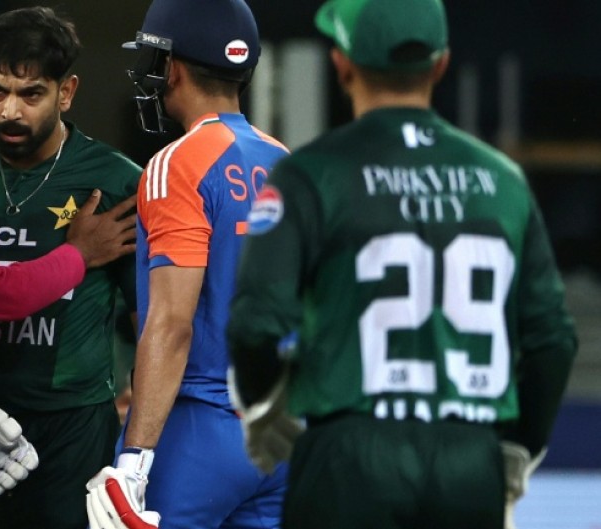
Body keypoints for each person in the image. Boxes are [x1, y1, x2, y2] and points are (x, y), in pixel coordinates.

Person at [225, 1, 579, 528]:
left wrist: (262, 405)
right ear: (441, 65)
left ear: (341, 63)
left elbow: (255, 323)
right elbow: (553, 341)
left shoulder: (310, 174)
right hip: (469, 454)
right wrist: (519, 446)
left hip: (349, 453)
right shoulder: (502, 180)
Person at [0, 7, 140, 529]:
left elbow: (152, 320)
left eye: (31, 94)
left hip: (72, 429)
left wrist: (141, 430)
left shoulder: (116, 181)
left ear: (67, 92)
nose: (10, 112)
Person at [85, 1, 290, 528]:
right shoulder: (285, 161)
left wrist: (134, 458)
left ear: (170, 67)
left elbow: (171, 324)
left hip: (202, 427)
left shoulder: (176, 164)